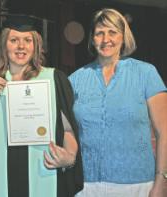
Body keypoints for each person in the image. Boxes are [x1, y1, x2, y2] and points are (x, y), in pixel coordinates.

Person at [0, 15, 84, 197]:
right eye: (14, 40)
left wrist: (69, 157)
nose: (21, 46)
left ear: (36, 46)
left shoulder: (54, 79)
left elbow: (67, 130)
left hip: (44, 170)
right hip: (4, 176)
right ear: (4, 45)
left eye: (27, 40)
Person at [68, 8, 167, 197]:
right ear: (92, 39)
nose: (106, 39)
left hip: (137, 185)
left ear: (123, 36)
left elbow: (165, 132)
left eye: (112, 32)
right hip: (86, 185)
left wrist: (162, 180)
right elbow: (66, 130)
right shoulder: (75, 79)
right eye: (99, 33)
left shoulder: (146, 74)